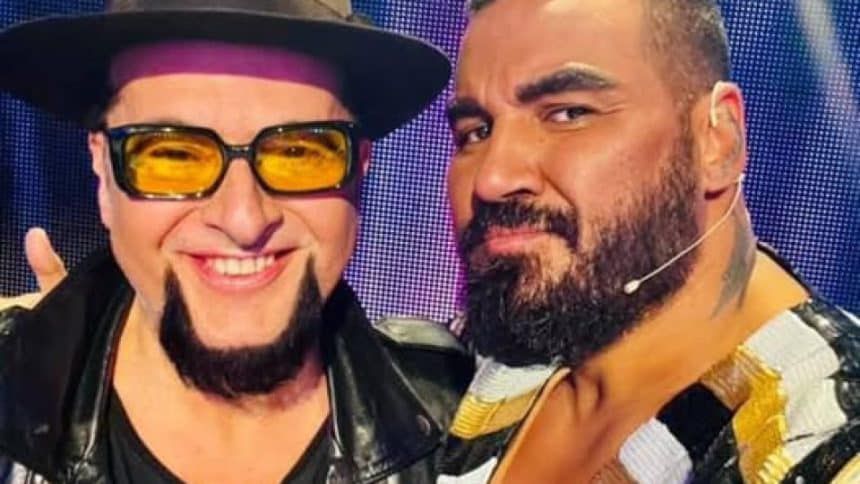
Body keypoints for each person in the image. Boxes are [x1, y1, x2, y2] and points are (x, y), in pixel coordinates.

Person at [0, 1, 473, 482]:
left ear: (360, 167)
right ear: (103, 170)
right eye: (174, 155)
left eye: (298, 152)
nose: (243, 221)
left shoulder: (463, 423)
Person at [440, 0, 860, 482]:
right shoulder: (472, 360)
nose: (493, 178)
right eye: (475, 132)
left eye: (569, 113)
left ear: (717, 141)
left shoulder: (826, 438)